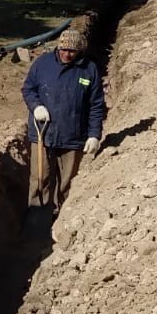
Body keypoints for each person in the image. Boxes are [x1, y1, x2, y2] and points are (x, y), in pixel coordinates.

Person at [21, 27, 106, 237]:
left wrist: (94, 134)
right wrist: (36, 106)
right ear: (58, 48)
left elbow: (96, 105)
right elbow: (28, 89)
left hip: (73, 136)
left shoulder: (89, 70)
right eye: (64, 50)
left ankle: (61, 224)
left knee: (67, 183)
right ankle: (36, 223)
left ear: (80, 52)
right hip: (43, 133)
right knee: (40, 179)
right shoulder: (42, 64)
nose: (67, 54)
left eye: (72, 51)